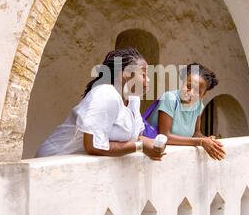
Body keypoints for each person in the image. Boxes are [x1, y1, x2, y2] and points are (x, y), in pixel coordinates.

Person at [35, 47, 165, 161]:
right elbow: (93, 145)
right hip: (55, 162)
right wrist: (140, 147)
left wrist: (156, 146)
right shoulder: (106, 95)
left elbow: (137, 137)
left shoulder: (133, 100)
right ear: (126, 74)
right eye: (143, 74)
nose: (148, 79)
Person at [146, 63, 226, 161]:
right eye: (188, 86)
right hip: (152, 155)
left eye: (197, 91)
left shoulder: (198, 105)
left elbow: (196, 133)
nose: (191, 93)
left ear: (203, 94)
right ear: (182, 83)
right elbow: (164, 135)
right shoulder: (170, 99)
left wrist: (207, 140)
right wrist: (201, 142)